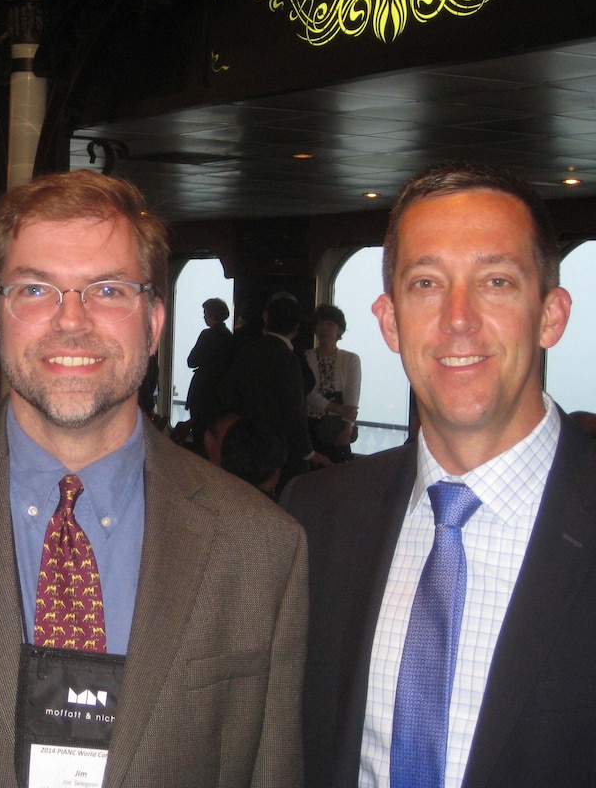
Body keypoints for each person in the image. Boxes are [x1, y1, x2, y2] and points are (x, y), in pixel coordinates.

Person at [0, 170, 307, 787]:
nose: (71, 321)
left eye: (107, 290)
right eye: (35, 290)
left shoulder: (260, 547)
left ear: (153, 322)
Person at [282, 162, 593, 788]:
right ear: (390, 321)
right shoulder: (317, 517)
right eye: (426, 283)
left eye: (496, 281)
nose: (458, 318)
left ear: (551, 314)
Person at [223, 293, 331, 493]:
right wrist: (308, 453)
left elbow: (230, 393)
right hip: (281, 450)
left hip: (248, 443)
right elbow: (294, 411)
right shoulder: (288, 358)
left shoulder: (247, 350)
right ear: (297, 327)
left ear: (266, 317)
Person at [304, 303, 361, 463]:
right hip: (309, 424)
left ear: (340, 330)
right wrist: (337, 408)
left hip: (337, 426)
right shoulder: (305, 357)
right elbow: (307, 393)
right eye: (320, 324)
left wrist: (348, 427)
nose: (324, 328)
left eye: (329, 324)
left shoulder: (351, 359)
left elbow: (352, 396)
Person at [185, 297, 236, 451]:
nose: (204, 316)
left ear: (212, 314)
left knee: (200, 436)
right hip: (219, 394)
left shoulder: (207, 335)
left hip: (202, 391)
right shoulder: (229, 337)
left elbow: (192, 361)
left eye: (206, 313)